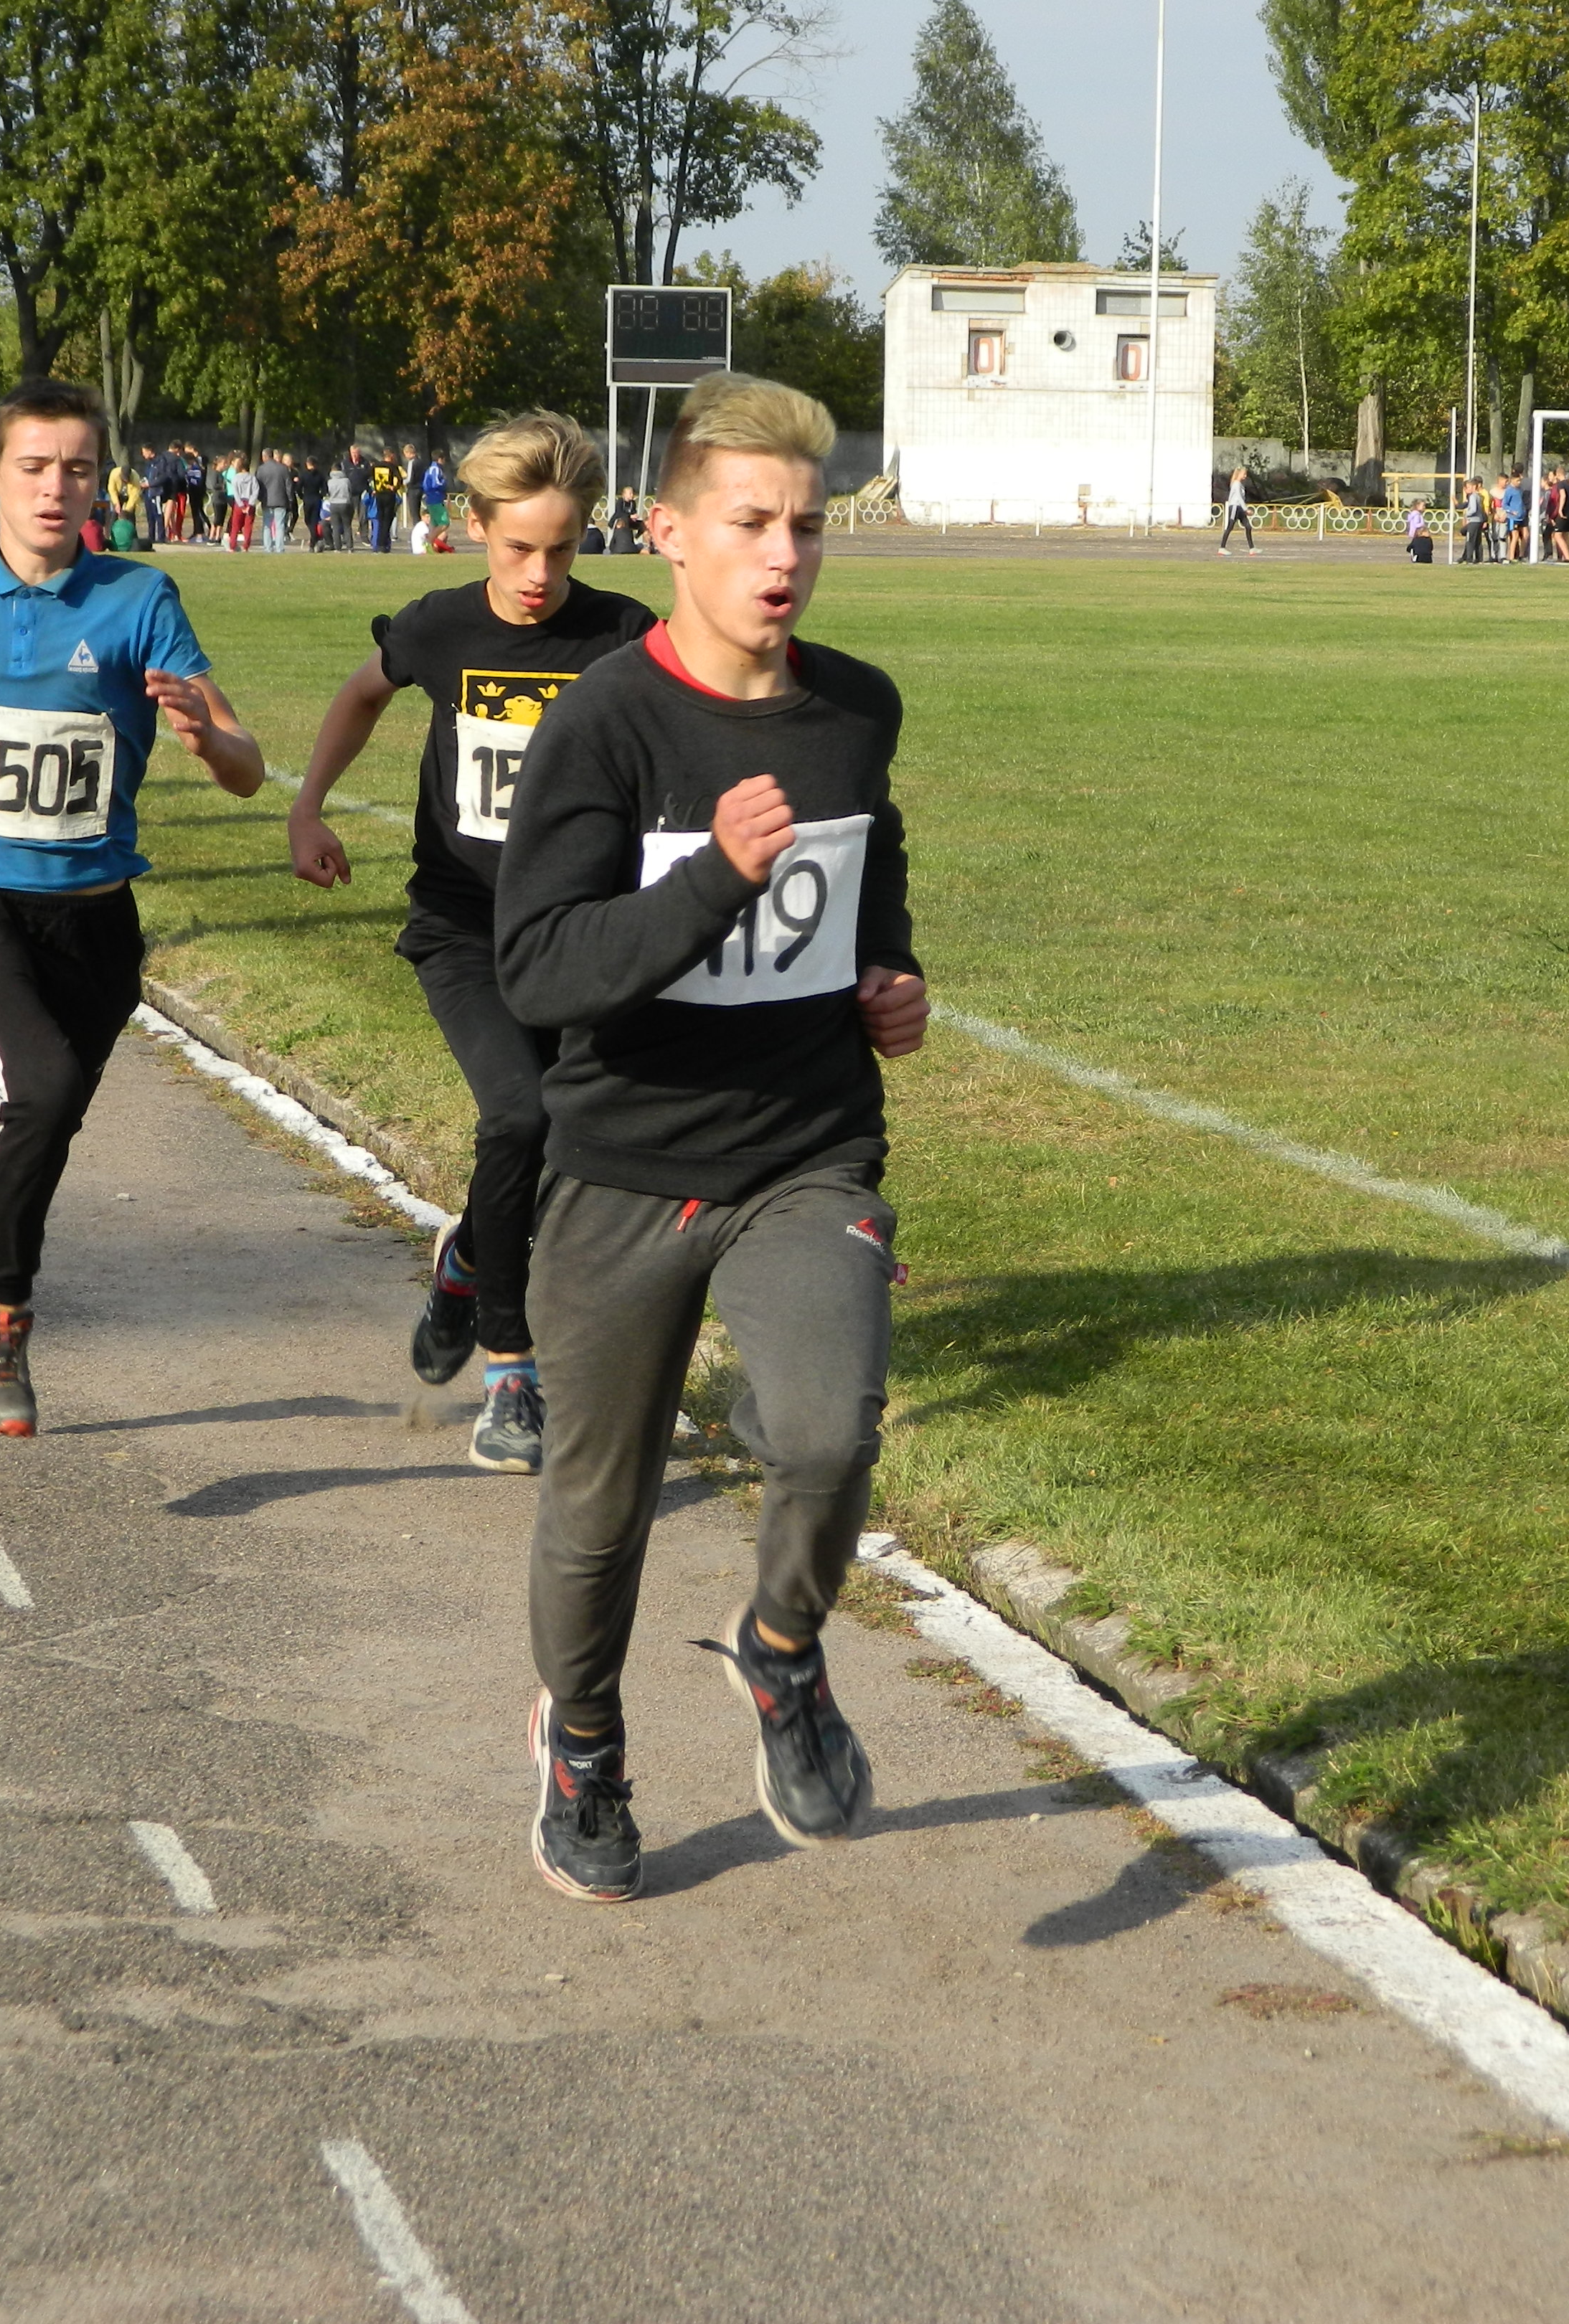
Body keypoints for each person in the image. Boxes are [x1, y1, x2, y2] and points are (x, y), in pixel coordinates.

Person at [494, 371, 925, 1902]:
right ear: (669, 532)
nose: (784, 554)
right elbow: (539, 968)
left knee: (824, 1429)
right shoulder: (606, 723)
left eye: (808, 525)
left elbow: (864, 876)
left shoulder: (854, 706)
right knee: (597, 1512)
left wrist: (892, 974)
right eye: (750, 523)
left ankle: (783, 1648)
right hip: (621, 1171)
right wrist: (706, 890)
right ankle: (585, 1740)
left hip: (804, 1149)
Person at [0, 377, 268, 1439]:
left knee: (47, 1110)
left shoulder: (139, 599)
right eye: (33, 466)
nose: (55, 487)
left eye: (77, 467)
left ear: (100, 481)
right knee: (36, 1085)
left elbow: (248, 768)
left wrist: (207, 741)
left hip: (96, 912)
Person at [287, 413, 651, 1471]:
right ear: (474, 529)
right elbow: (363, 694)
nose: (539, 574)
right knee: (519, 1113)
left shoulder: (623, 635)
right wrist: (310, 806)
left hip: (581, 935)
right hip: (464, 928)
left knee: (571, 1143)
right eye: (517, 548)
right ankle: (510, 1369)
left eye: (562, 549)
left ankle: (463, 1268)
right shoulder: (441, 627)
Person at [1218, 463, 1255, 556]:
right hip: (1235, 507)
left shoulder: (1240, 484)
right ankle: (1222, 548)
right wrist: (1246, 509)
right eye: (1244, 474)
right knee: (1230, 527)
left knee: (1248, 526)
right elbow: (1238, 497)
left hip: (1239, 508)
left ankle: (1252, 549)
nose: (1246, 476)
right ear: (1239, 474)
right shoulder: (1236, 484)